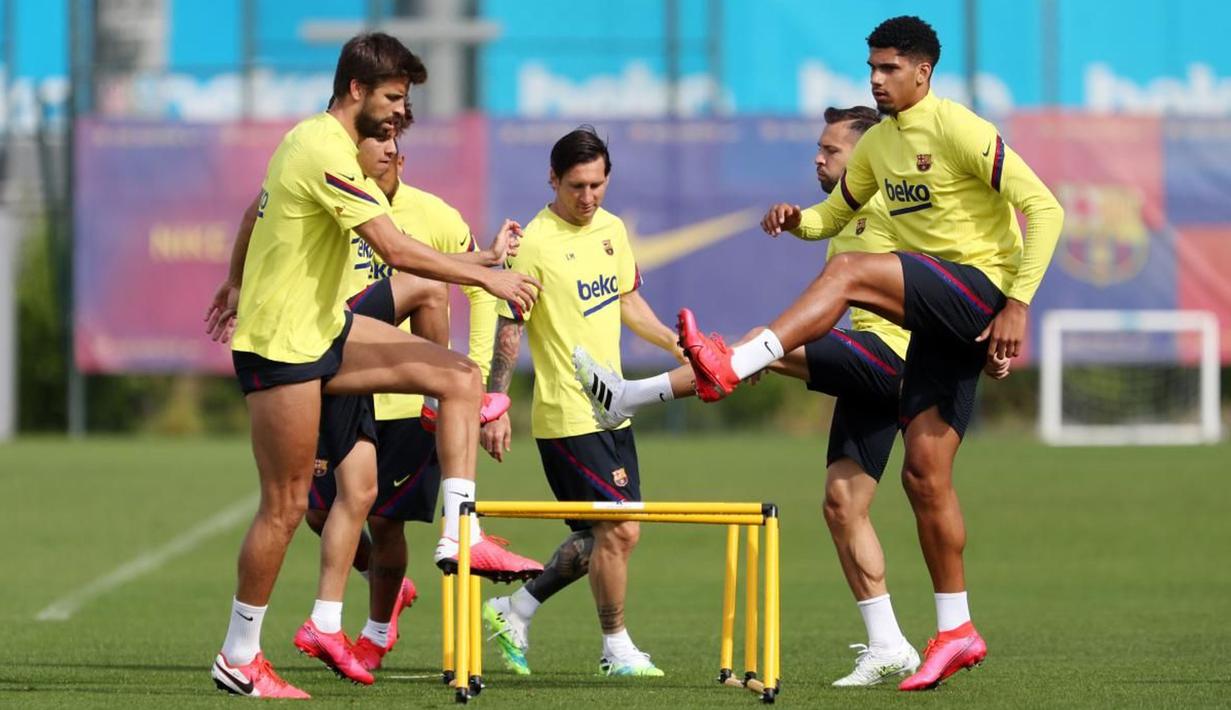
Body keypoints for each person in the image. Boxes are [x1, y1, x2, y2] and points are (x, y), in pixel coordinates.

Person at [664, 16, 1060, 691]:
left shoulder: (958, 128)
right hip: (941, 325)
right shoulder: (876, 146)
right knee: (923, 477)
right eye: (870, 69)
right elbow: (832, 219)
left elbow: (1043, 208)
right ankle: (955, 630)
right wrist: (797, 221)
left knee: (850, 272)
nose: (874, 80)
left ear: (921, 72)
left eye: (886, 69)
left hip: (980, 288)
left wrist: (1017, 303)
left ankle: (737, 360)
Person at [576, 105, 1005, 686]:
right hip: (865, 366)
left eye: (831, 150)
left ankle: (630, 397)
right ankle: (889, 645)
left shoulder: (895, 201)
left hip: (896, 359)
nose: (819, 158)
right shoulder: (849, 209)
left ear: (870, 154)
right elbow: (822, 222)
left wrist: (993, 324)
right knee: (842, 506)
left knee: (756, 344)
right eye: (820, 149)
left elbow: (955, 251)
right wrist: (796, 217)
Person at [202, 33, 541, 699]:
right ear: (355, 89)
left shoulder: (332, 151)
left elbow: (258, 211)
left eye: (403, 101)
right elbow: (390, 246)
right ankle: (239, 655)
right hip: (281, 347)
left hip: (324, 330)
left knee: (459, 377)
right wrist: (494, 281)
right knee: (287, 505)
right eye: (390, 99)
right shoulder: (320, 148)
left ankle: (458, 533)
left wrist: (236, 279)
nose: (395, 115)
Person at [302, 130, 542, 673]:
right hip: (343, 376)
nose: (384, 151)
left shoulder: (433, 214)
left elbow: (483, 288)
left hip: (405, 402)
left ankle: (376, 632)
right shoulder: (333, 203)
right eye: (373, 141)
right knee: (316, 511)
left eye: (392, 143)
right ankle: (385, 589)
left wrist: (478, 385)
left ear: (402, 158)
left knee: (386, 523)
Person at [478, 127, 685, 677]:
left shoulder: (612, 228)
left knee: (601, 537)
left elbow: (627, 301)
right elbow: (509, 328)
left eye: (597, 184)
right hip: (567, 415)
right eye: (576, 185)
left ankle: (514, 609)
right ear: (553, 178)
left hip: (613, 409)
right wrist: (495, 404)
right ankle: (615, 648)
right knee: (620, 531)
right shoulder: (534, 244)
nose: (588, 196)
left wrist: (677, 342)